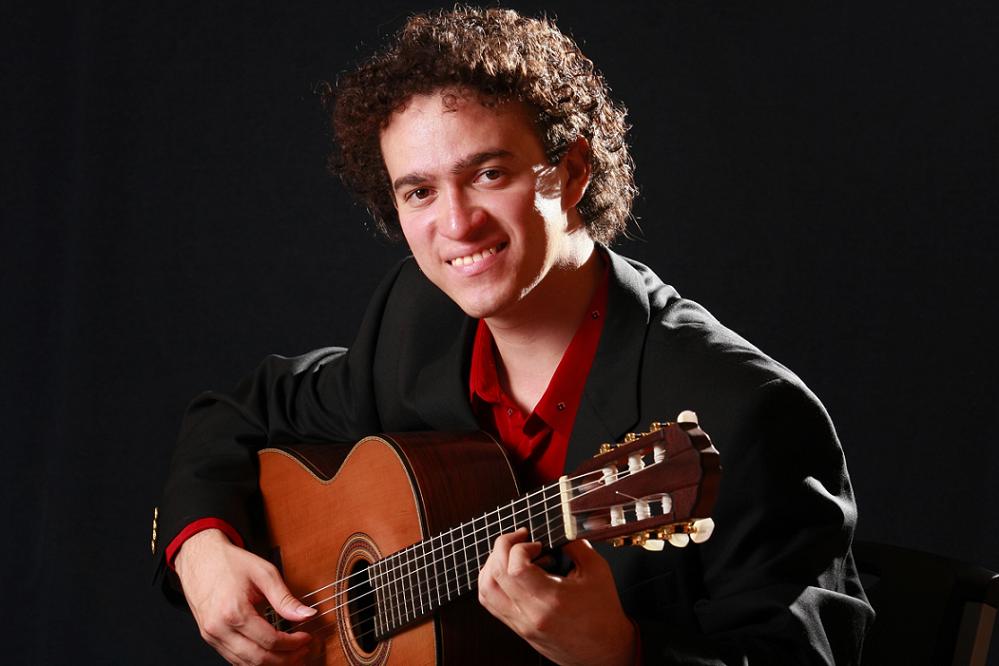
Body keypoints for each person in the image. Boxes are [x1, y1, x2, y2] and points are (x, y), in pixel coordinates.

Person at [155, 6, 873, 665]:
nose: (456, 224)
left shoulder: (744, 411)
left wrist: (621, 653)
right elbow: (237, 415)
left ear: (572, 172)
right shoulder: (415, 320)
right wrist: (200, 549)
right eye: (419, 191)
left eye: (489, 173)